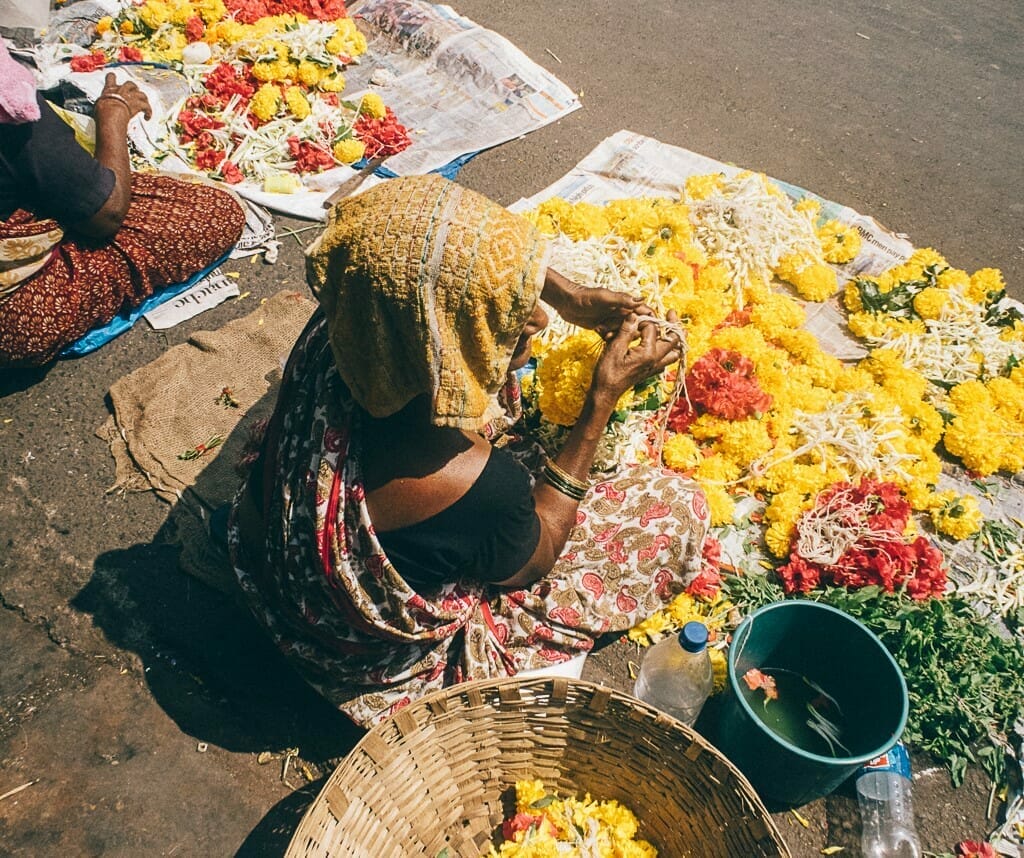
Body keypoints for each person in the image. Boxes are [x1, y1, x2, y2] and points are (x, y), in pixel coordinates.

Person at [228, 174, 710, 727]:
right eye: (512, 315)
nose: (540, 320)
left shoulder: (356, 321)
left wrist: (568, 296)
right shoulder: (470, 481)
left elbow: (432, 259)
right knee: (675, 506)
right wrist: (600, 402)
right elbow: (539, 555)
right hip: (356, 649)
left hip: (270, 556)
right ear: (441, 339)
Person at [0, 60, 246, 367]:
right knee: (217, 211)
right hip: (14, 312)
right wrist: (112, 116)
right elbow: (106, 214)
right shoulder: (7, 99)